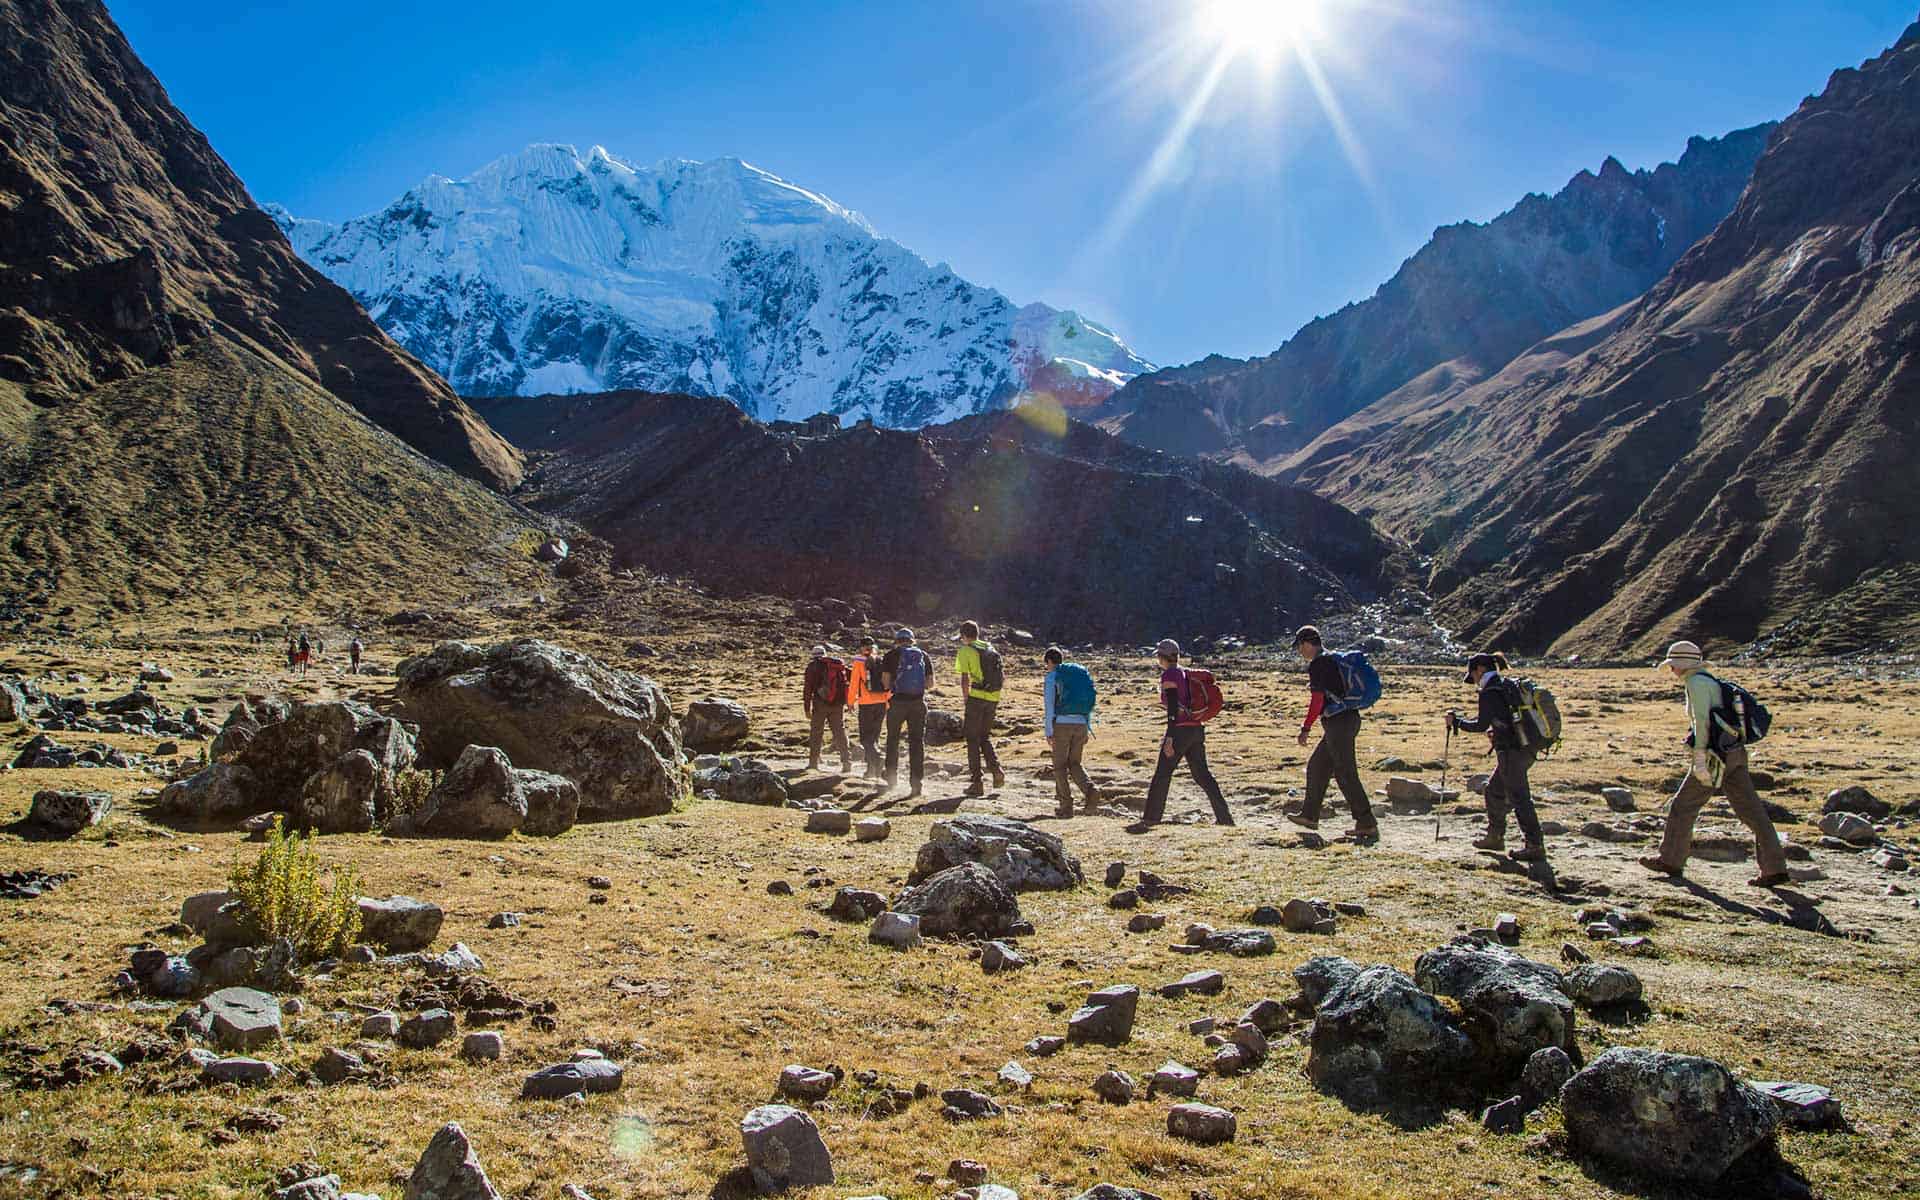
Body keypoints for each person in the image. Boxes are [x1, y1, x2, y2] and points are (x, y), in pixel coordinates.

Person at [1639, 641, 1790, 888]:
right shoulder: (1710, 681)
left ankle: (1670, 860)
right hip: (1735, 751)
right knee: (1752, 812)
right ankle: (1775, 868)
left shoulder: (1695, 684)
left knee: (1683, 806)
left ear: (1682, 664)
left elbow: (1702, 723)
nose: (1672, 670)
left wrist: (1699, 757)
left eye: (1673, 665)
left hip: (1715, 755)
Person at [1448, 652, 1547, 862]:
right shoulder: (1506, 685)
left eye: (1473, 675)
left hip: (1511, 751)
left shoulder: (1490, 692)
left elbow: (1480, 725)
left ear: (1480, 669)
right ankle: (1495, 837)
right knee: (1494, 790)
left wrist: (1457, 722)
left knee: (1519, 798)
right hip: (1525, 748)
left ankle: (1534, 845)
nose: (1474, 680)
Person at [1285, 625, 1377, 843]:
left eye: (1300, 646)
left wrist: (1306, 728)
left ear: (1307, 643)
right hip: (1346, 720)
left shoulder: (1319, 664)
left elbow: (1317, 700)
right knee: (1317, 766)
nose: (1300, 651)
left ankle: (1366, 822)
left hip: (1339, 724)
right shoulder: (1331, 660)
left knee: (1345, 774)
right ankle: (1309, 816)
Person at [1139, 639, 1234, 829]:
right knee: (1202, 775)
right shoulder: (1184, 672)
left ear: (1162, 657)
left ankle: (1151, 817)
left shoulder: (1169, 675)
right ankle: (1225, 818)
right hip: (1196, 729)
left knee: (1163, 773)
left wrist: (1170, 737)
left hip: (1180, 730)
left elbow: (1173, 706)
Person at [1042, 646, 1101, 817]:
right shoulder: (1078, 675)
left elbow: (1049, 706)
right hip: (1081, 724)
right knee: (1075, 763)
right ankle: (1091, 790)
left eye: (1046, 664)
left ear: (1049, 661)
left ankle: (1066, 806)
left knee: (1059, 766)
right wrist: (1087, 727)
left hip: (1062, 724)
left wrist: (1049, 731)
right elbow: (1088, 705)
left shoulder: (1052, 677)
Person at [953, 620, 1006, 797]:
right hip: (993, 697)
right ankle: (996, 771)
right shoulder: (990, 648)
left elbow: (965, 678)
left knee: (972, 739)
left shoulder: (965, 650)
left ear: (964, 635)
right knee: (984, 737)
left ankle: (977, 782)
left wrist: (966, 698)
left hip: (976, 697)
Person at [882, 628, 933, 798]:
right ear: (912, 640)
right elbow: (930, 684)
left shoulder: (890, 655)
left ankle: (891, 779)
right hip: (918, 704)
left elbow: (885, 682)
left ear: (897, 641)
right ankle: (916, 784)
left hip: (897, 704)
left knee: (893, 740)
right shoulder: (923, 655)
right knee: (916, 743)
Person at [802, 645, 852, 773]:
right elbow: (850, 678)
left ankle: (813, 763)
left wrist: (807, 708)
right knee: (839, 732)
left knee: (816, 732)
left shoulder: (812, 667)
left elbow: (808, 689)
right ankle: (846, 762)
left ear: (813, 655)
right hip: (838, 704)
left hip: (820, 704)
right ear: (824, 654)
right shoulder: (837, 665)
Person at [846, 636, 891, 777]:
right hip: (881, 703)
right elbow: (888, 681)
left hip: (866, 703)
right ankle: (871, 770)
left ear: (861, 647)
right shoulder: (881, 660)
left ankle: (878, 758)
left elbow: (854, 683)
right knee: (874, 738)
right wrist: (887, 701)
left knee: (865, 739)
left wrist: (850, 701)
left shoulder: (859, 661)